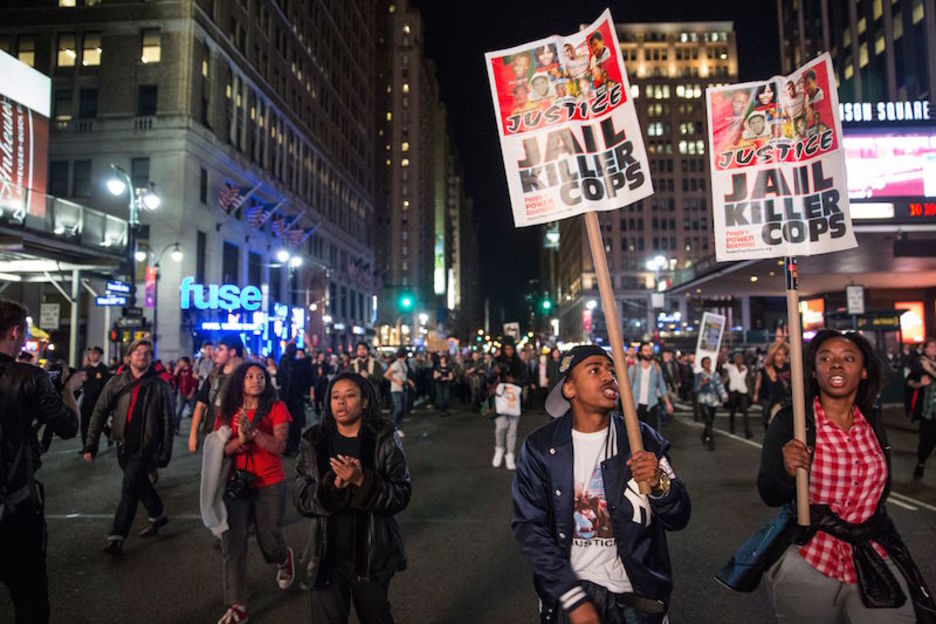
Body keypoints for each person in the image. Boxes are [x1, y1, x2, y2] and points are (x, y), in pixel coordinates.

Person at [758, 329, 935, 623]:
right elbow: (769, 491)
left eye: (848, 358)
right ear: (814, 372)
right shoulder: (793, 422)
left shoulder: (872, 420)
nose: (836, 365)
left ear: (864, 371)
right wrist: (787, 470)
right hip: (809, 559)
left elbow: (880, 494)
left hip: (871, 555)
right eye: (825, 358)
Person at [513, 345, 690, 623]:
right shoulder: (541, 448)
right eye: (595, 370)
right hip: (571, 598)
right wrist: (572, 598)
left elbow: (679, 516)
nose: (609, 377)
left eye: (611, 370)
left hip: (636, 598)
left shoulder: (643, 439)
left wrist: (660, 485)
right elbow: (530, 527)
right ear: (569, 389)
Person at [295, 372, 411, 623]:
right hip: (326, 554)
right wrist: (330, 488)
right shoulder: (314, 441)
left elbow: (401, 494)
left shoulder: (384, 439)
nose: (341, 403)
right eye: (335, 397)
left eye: (349, 396)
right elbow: (301, 496)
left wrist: (362, 481)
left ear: (365, 401)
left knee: (376, 617)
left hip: (372, 554)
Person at [0, 300, 82, 623]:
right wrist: (67, 389)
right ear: (17, 331)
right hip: (16, 505)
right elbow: (68, 427)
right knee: (30, 598)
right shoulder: (30, 378)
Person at [214, 362, 294, 624]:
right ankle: (237, 605)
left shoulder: (276, 407)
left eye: (261, 376)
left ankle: (283, 557)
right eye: (249, 376)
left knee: (268, 541)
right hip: (237, 481)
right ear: (239, 381)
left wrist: (254, 432)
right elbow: (221, 449)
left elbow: (279, 446)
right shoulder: (228, 411)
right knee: (233, 544)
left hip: (269, 482)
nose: (256, 381)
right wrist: (239, 441)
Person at [83, 338, 174, 555]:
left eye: (146, 353)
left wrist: (165, 453)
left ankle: (117, 536)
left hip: (146, 447)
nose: (141, 356)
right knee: (139, 483)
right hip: (123, 444)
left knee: (129, 488)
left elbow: (169, 421)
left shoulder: (160, 386)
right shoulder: (116, 382)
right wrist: (91, 444)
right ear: (129, 356)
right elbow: (99, 412)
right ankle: (158, 515)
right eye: (137, 353)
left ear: (151, 358)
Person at [189, 335, 244, 454]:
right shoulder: (214, 375)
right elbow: (201, 404)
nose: (215, 352)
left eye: (220, 349)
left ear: (232, 352)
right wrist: (193, 434)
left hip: (236, 438)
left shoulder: (247, 376)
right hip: (213, 434)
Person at [907, 337, 936, 479]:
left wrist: (930, 369)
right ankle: (921, 463)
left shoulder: (928, 366)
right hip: (928, 412)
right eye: (931, 347)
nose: (934, 349)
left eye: (935, 347)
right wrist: (920, 384)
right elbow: (910, 382)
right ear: (925, 349)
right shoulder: (920, 364)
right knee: (925, 442)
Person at [628, 341, 674, 431]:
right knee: (637, 434)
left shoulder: (656, 368)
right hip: (636, 405)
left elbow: (662, 386)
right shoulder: (633, 369)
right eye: (645, 350)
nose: (648, 353)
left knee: (652, 433)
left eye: (650, 350)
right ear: (640, 353)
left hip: (652, 404)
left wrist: (668, 403)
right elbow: (627, 389)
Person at [753, 341, 792, 428]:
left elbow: (792, 352)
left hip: (788, 402)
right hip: (776, 403)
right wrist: (781, 341)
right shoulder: (770, 367)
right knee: (774, 428)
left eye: (783, 354)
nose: (781, 356)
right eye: (778, 354)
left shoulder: (788, 366)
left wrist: (785, 344)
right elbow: (770, 355)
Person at [80, 345, 110, 449]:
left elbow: (106, 385)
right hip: (87, 399)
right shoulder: (86, 369)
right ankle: (86, 446)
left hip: (98, 400)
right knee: (84, 424)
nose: (92, 355)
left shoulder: (103, 369)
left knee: (98, 423)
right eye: (91, 353)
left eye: (95, 353)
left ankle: (108, 435)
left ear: (99, 355)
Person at [695, 356, 728, 451]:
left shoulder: (715, 375)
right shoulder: (699, 375)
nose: (708, 364)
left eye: (709, 362)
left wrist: (724, 395)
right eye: (706, 363)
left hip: (714, 401)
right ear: (702, 365)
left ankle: (704, 435)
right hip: (703, 400)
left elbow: (720, 386)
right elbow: (695, 389)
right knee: (708, 420)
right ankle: (711, 442)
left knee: (711, 420)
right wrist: (702, 384)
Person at [384, 348, 414, 438]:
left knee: (402, 408)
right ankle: (394, 426)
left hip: (403, 388)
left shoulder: (403, 364)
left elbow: (403, 375)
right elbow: (386, 375)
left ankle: (398, 427)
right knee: (399, 408)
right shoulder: (396, 364)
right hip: (396, 389)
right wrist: (397, 381)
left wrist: (408, 381)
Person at [725, 352, 753, 438]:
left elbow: (748, 381)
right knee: (732, 411)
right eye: (737, 358)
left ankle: (747, 431)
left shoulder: (745, 368)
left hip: (743, 392)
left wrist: (751, 393)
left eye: (741, 358)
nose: (739, 360)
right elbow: (725, 377)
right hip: (733, 392)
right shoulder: (730, 368)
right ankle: (732, 428)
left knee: (745, 411)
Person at [173, 356, 197, 434]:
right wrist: (175, 373)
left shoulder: (191, 370)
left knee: (194, 412)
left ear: (185, 362)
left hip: (190, 394)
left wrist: (191, 393)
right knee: (179, 411)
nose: (179, 363)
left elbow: (194, 383)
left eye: (181, 361)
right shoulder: (180, 371)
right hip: (182, 394)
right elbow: (174, 380)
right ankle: (176, 428)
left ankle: (195, 430)